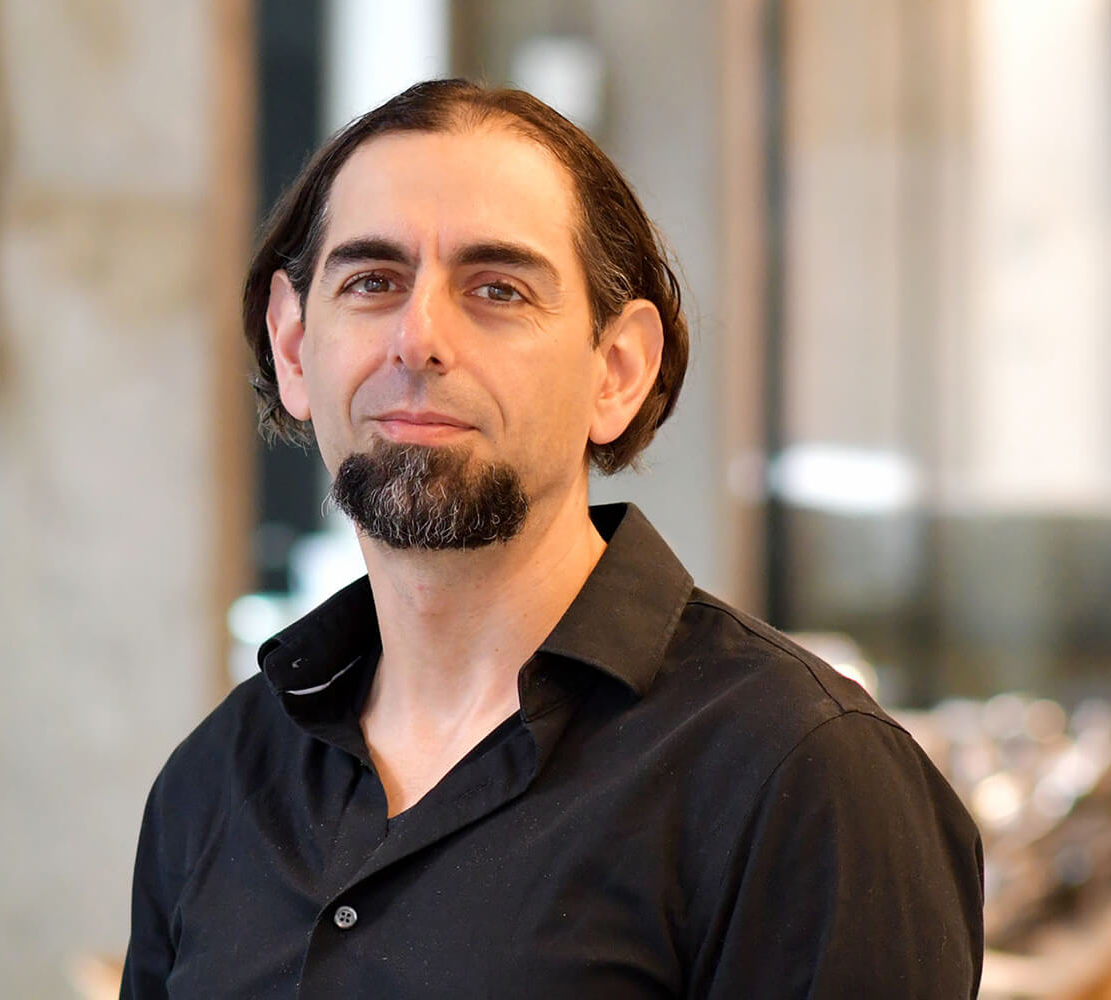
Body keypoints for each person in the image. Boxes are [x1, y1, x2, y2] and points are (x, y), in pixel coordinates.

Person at [121, 79, 984, 999]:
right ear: (295, 349)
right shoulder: (216, 782)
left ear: (617, 371)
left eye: (497, 289)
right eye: (372, 282)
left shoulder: (802, 775)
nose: (419, 339)